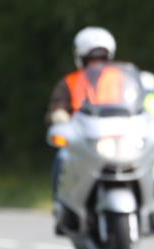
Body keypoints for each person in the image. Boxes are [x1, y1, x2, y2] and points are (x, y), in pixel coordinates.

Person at [46, 27, 117, 228]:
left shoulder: (119, 79)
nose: (97, 63)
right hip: (84, 143)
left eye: (102, 58)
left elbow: (136, 102)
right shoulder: (70, 82)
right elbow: (55, 108)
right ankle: (61, 206)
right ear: (81, 59)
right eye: (91, 59)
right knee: (61, 158)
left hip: (116, 139)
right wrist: (58, 115)